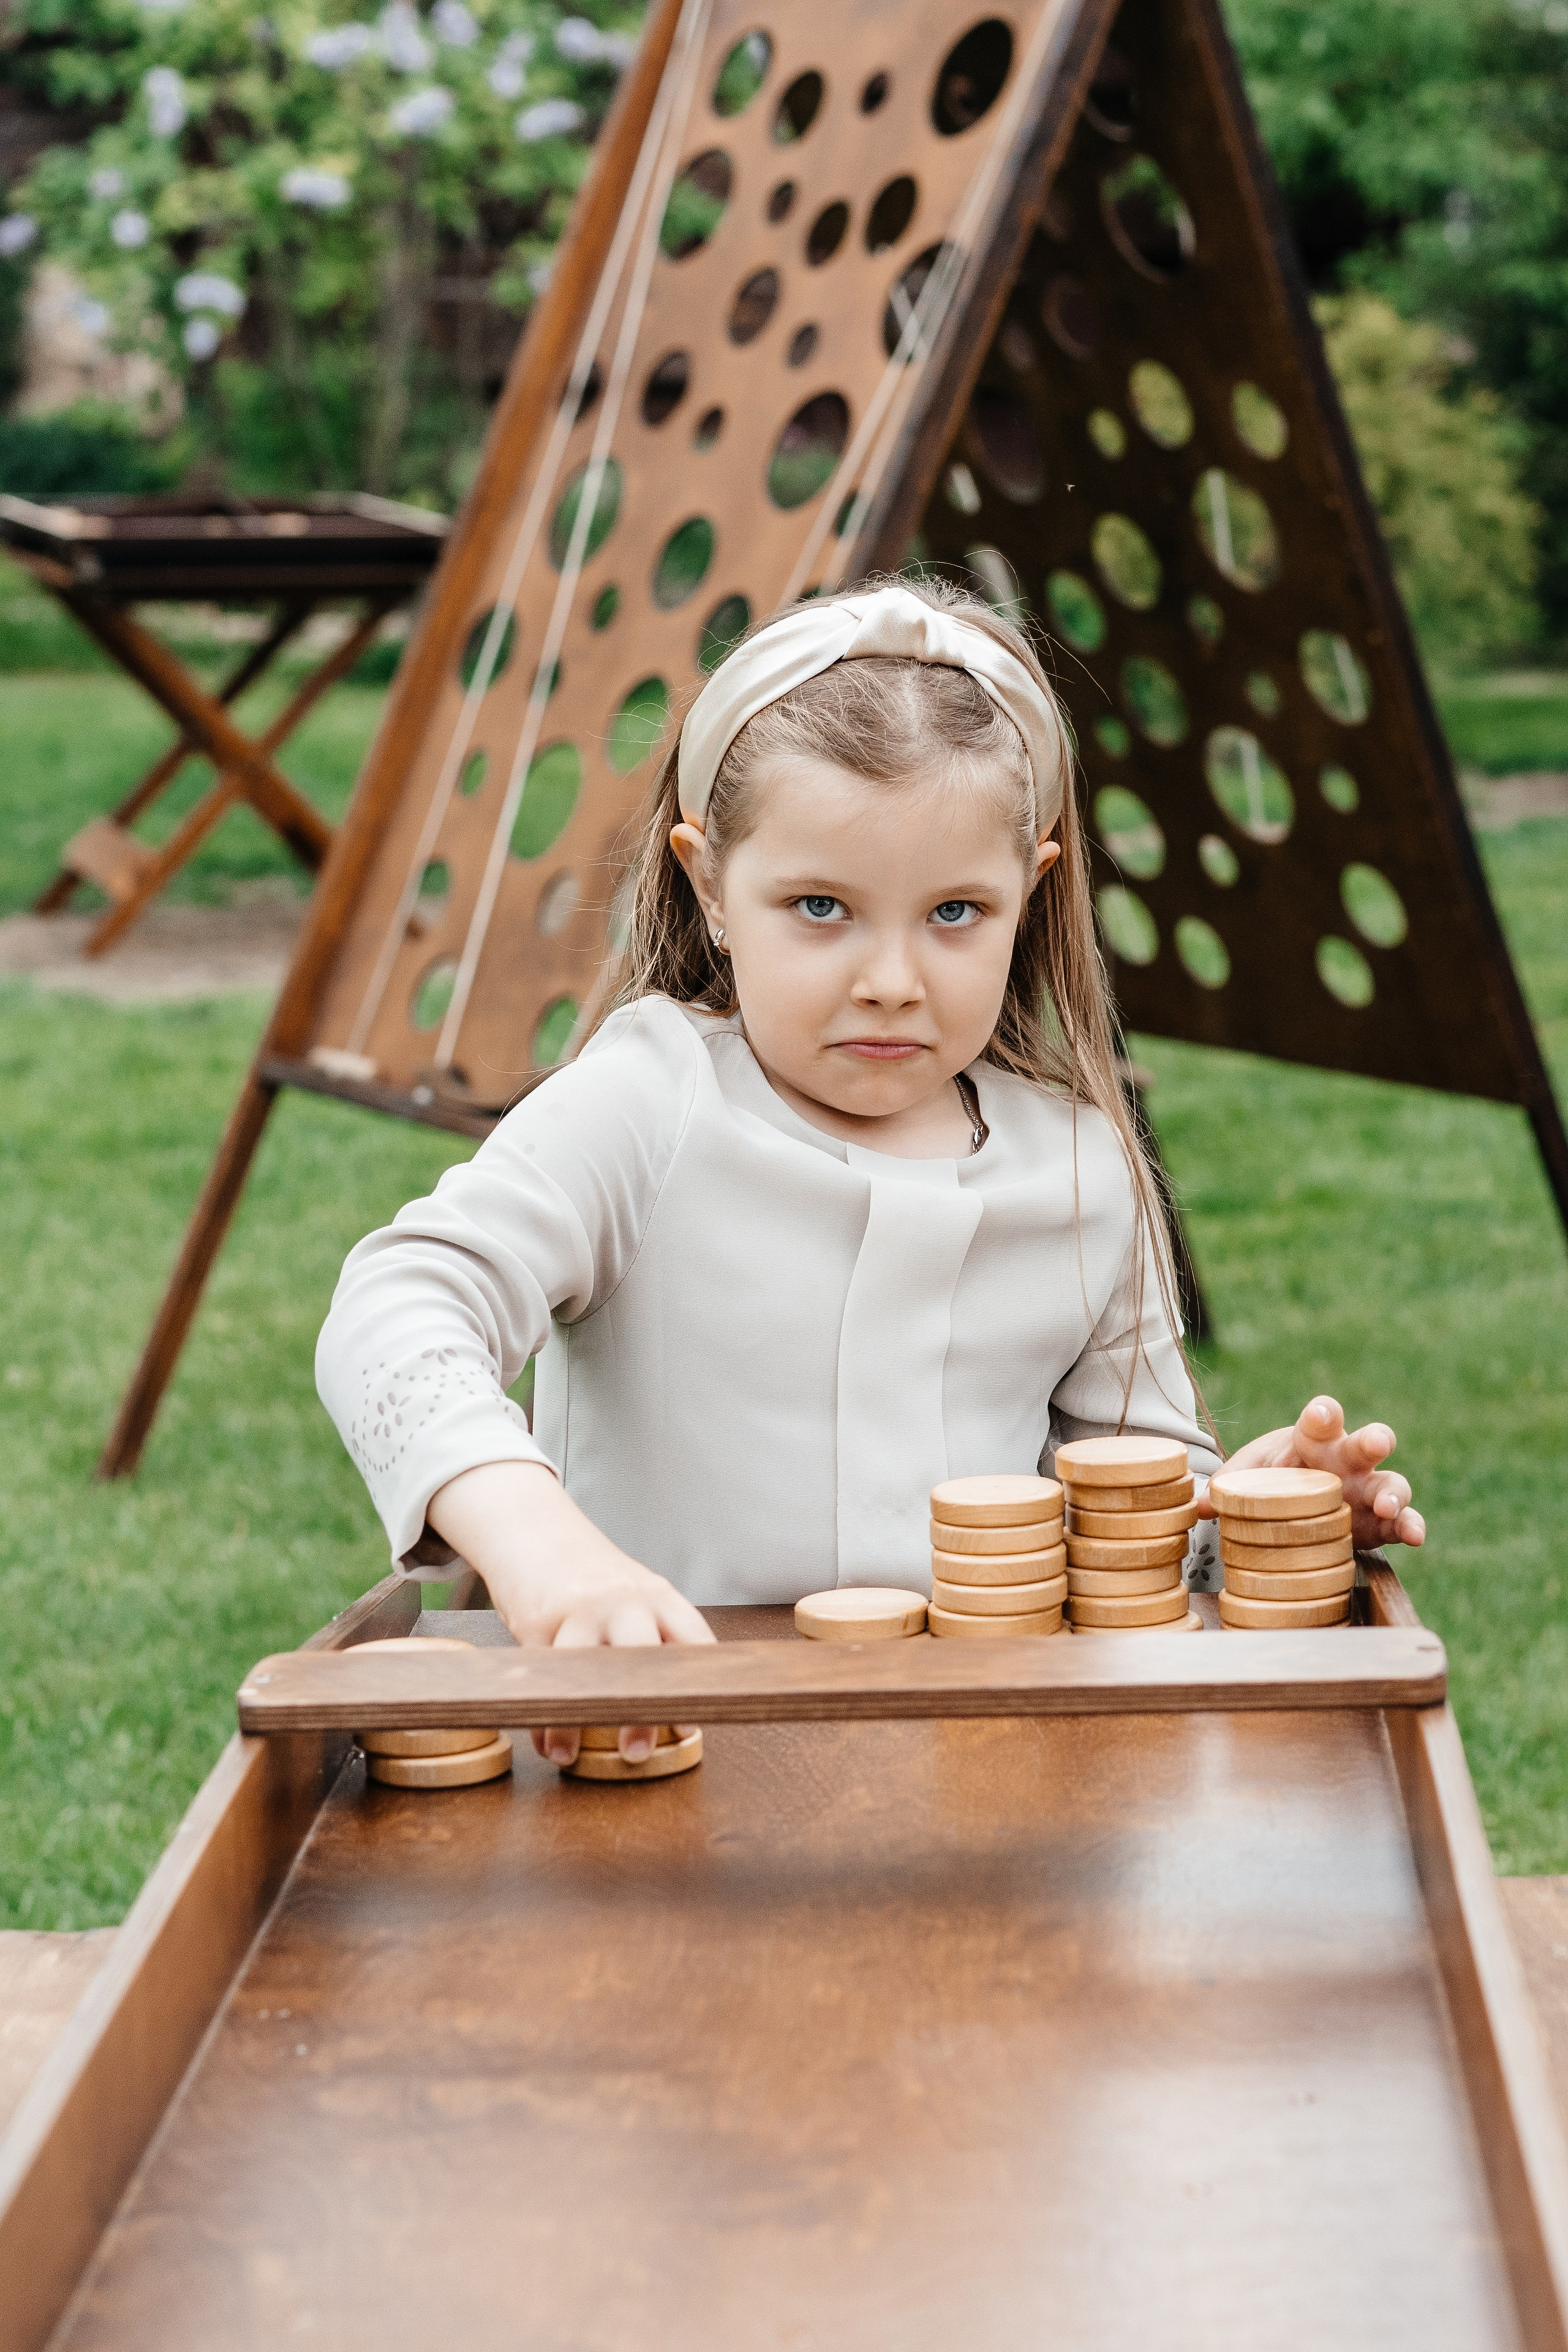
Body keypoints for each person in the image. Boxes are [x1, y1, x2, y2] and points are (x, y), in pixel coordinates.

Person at [317, 577, 1424, 1762]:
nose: (892, 977)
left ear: (1030, 893)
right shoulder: (650, 1098)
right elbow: (396, 1309)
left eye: (954, 911)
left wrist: (1268, 1512)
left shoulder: (1079, 1167)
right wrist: (541, 1550)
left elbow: (1142, 1537)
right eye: (820, 906)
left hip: (984, 1794)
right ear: (709, 885)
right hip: (642, 1766)